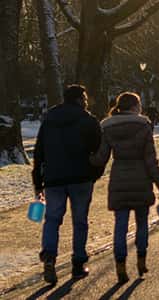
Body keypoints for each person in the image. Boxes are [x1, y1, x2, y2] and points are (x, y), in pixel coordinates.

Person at [90, 92, 159, 283]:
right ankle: (141, 261)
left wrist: (86, 158)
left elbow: (101, 157)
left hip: (119, 179)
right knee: (142, 223)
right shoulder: (143, 126)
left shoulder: (108, 127)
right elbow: (151, 161)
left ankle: (120, 266)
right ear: (135, 106)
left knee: (120, 225)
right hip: (141, 180)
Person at [32, 84, 103, 284]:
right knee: (80, 221)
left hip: (53, 178)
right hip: (81, 178)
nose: (87, 101)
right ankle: (78, 264)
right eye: (85, 98)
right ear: (80, 99)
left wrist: (38, 181)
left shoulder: (49, 121)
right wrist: (94, 174)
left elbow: (39, 152)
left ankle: (49, 256)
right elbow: (99, 151)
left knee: (52, 219)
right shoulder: (88, 121)